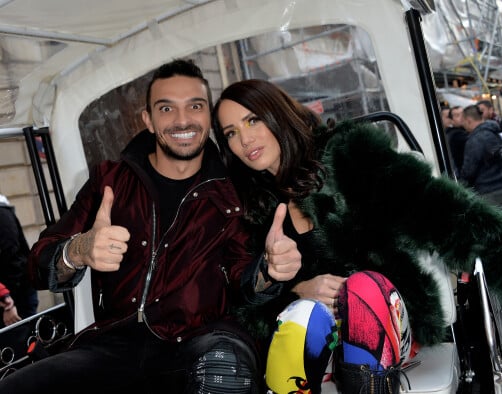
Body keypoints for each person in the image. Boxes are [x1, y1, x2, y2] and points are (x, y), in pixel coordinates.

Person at [212, 79, 502, 393]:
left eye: (252, 120)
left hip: (385, 318)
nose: (244, 139)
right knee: (302, 316)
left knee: (363, 290)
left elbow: (443, 212)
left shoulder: (350, 156)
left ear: (277, 113)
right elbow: (244, 303)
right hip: (312, 340)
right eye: (230, 132)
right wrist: (293, 288)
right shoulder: (248, 207)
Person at [0, 60, 301, 394]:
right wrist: (77, 251)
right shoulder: (110, 180)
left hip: (203, 340)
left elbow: (244, 276)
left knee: (223, 368)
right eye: (167, 107)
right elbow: (37, 266)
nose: (183, 120)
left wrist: (270, 271)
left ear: (208, 117)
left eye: (195, 106)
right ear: (147, 119)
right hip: (114, 344)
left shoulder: (232, 190)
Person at [460, 104, 502, 208]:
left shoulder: (475, 140)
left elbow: (469, 170)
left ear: (469, 120)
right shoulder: (493, 133)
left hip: (487, 192)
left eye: (463, 121)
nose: (463, 125)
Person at [0, 194, 38, 326]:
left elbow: (12, 260)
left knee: (21, 341)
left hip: (16, 299)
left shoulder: (2, 215)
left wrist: (8, 305)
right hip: (11, 296)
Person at [445, 106, 469, 177]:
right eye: (457, 115)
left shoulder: (462, 132)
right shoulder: (457, 135)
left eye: (463, 114)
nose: (461, 117)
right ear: (451, 120)